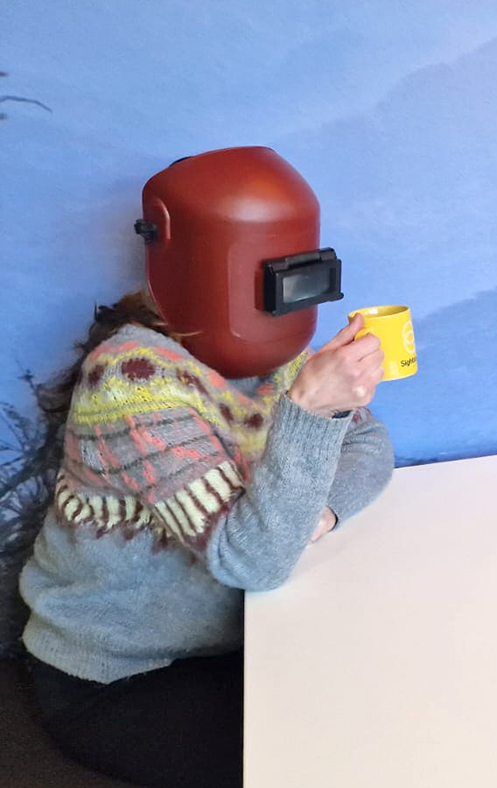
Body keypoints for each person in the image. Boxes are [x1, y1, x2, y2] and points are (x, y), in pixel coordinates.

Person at [19, 147, 395, 788]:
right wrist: (308, 413)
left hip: (250, 632)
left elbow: (370, 444)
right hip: (119, 675)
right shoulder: (132, 378)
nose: (286, 303)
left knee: (393, 708)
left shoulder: (275, 350)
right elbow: (253, 560)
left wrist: (319, 513)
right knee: (327, 765)